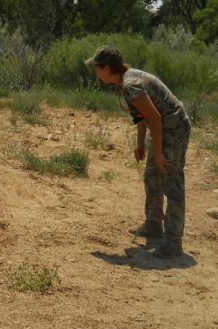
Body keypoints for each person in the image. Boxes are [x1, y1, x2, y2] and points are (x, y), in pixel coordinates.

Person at [84, 45, 191, 258]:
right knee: (152, 174)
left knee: (171, 179)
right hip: (163, 129)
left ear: (106, 68)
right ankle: (153, 224)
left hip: (174, 128)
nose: (96, 72)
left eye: (97, 68)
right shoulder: (127, 81)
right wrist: (141, 144)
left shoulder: (131, 84)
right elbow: (144, 116)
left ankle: (173, 242)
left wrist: (159, 153)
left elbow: (155, 118)